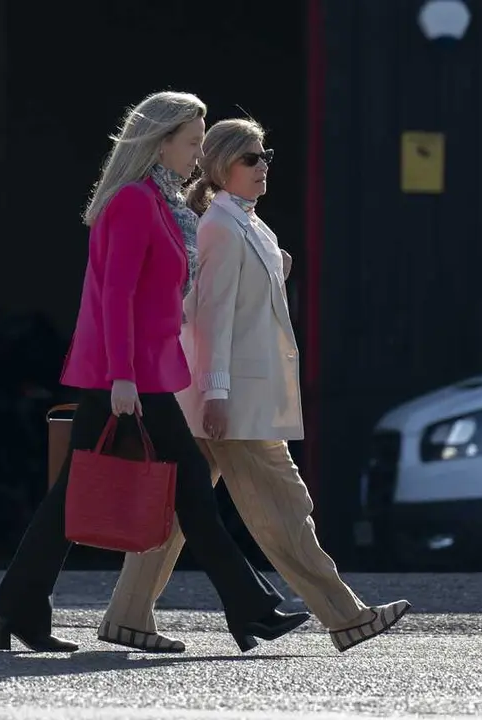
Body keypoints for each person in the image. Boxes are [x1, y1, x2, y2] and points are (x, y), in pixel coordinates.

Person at [0, 93, 310, 654]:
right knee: (189, 492)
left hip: (148, 368)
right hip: (131, 375)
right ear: (160, 143)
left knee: (80, 495)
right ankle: (249, 606)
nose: (198, 154)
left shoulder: (165, 204)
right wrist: (122, 378)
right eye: (191, 143)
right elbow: (116, 294)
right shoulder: (135, 202)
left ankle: (20, 605)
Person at [96, 118, 411, 654]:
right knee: (284, 505)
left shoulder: (246, 223)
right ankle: (344, 616)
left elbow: (225, 304)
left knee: (174, 509)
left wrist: (275, 271)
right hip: (230, 400)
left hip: (228, 397)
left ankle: (127, 616)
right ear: (221, 167)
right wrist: (216, 392)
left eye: (265, 155)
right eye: (250, 158)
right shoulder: (221, 225)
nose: (263, 165)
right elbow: (213, 316)